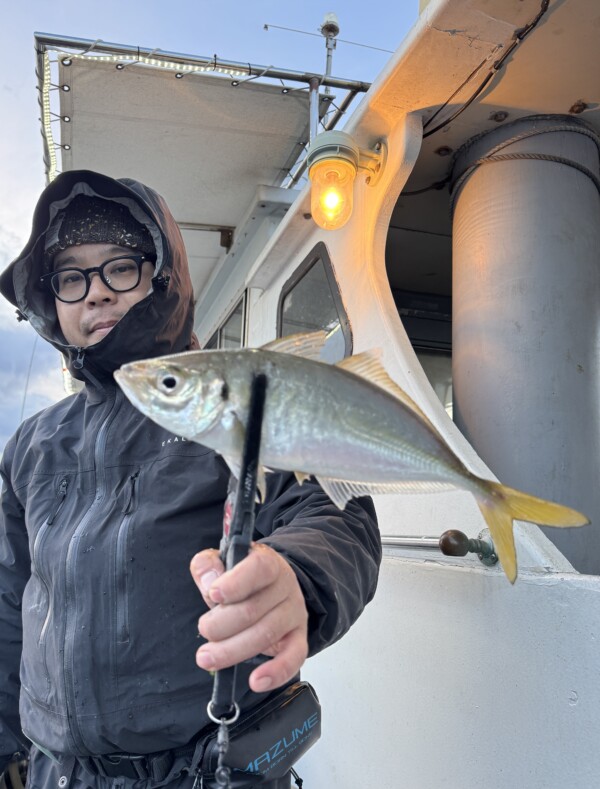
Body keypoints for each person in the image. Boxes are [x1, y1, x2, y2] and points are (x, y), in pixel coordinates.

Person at [0, 170, 381, 789]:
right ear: (52, 300)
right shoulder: (32, 446)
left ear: (164, 275)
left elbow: (333, 515)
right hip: (58, 776)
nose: (94, 294)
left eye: (119, 268)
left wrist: (296, 576)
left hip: (207, 770)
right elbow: (10, 598)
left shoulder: (234, 403)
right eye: (71, 277)